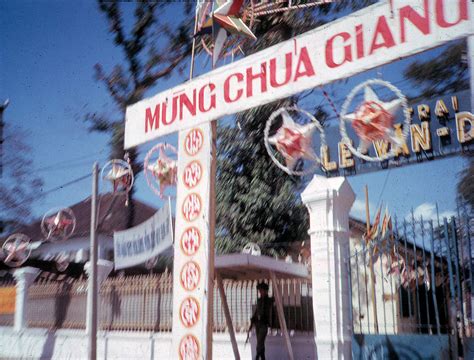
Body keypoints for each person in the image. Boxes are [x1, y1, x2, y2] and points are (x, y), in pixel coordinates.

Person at [250, 282, 273, 360]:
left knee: (259, 342)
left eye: (261, 290)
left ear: (265, 291)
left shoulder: (269, 300)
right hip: (258, 324)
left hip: (264, 324)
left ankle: (257, 357)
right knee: (261, 342)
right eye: (259, 290)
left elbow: (269, 311)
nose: (260, 292)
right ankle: (263, 358)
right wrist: (253, 318)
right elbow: (257, 311)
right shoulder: (259, 300)